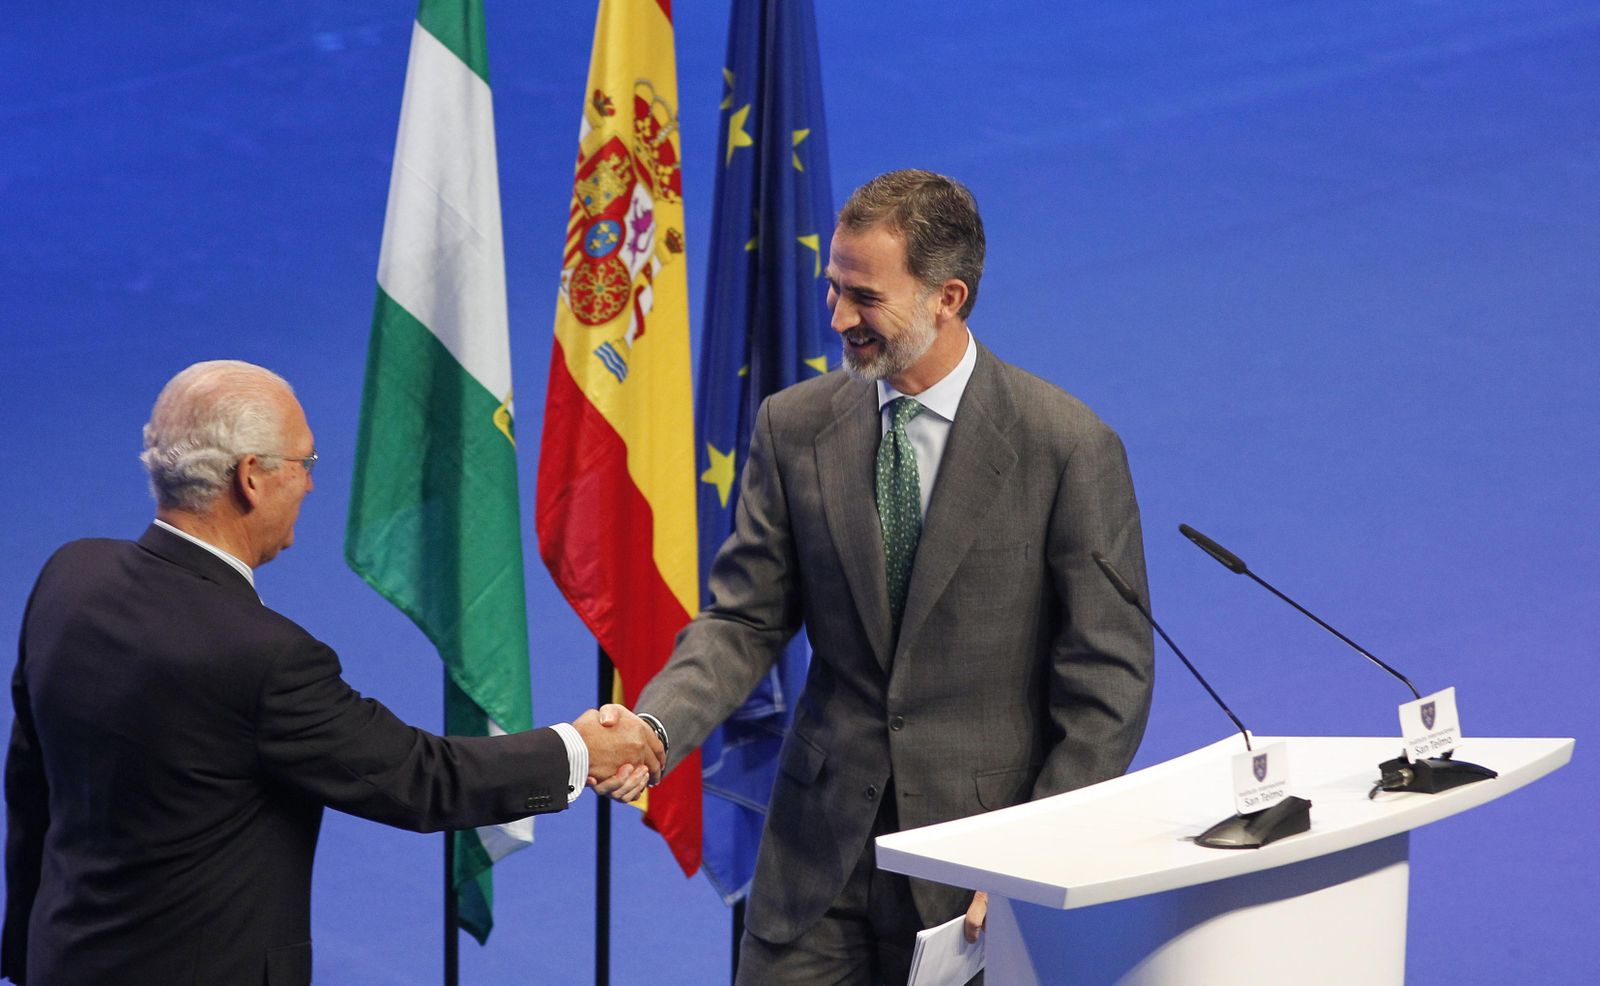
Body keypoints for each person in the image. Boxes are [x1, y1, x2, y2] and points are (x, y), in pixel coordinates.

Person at [631, 170, 1155, 984]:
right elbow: (744, 621)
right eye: (833, 287)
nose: (838, 318)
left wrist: (1031, 858)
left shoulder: (1067, 447)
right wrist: (657, 727)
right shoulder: (794, 425)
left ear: (948, 297)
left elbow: (1107, 683)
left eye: (864, 297)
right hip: (816, 864)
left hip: (976, 872)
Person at [2, 360, 662, 986]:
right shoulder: (263, 657)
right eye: (304, 462)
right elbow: (419, 779)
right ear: (251, 477)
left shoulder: (70, 577)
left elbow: (29, 787)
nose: (312, 483)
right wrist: (582, 748)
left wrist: (25, 953)